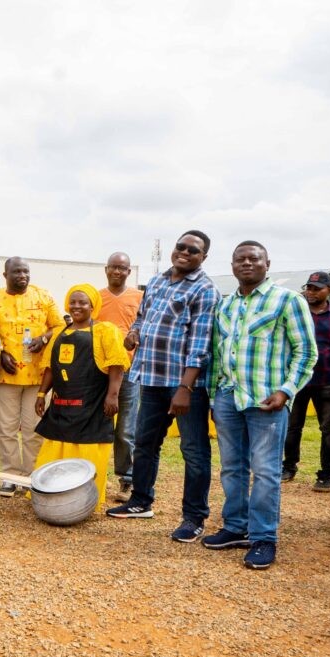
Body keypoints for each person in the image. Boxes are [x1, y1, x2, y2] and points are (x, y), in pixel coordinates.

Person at [204, 241, 316, 570]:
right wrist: (214, 396)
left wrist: (286, 391)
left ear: (268, 263)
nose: (247, 263)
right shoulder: (225, 306)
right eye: (241, 259)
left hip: (267, 400)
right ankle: (236, 527)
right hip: (228, 397)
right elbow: (216, 355)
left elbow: (306, 353)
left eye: (255, 258)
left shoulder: (288, 301)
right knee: (232, 468)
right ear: (233, 264)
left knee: (266, 472)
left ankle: (264, 537)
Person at [106, 230, 220, 544]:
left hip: (184, 384)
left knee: (194, 451)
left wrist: (186, 387)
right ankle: (141, 501)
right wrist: (134, 332)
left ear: (203, 257)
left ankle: (194, 518)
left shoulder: (205, 290)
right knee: (145, 443)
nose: (184, 252)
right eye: (180, 246)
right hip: (152, 378)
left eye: (193, 250)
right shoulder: (157, 281)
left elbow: (201, 344)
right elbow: (142, 317)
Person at [33, 284, 129, 509]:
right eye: (73, 302)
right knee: (55, 449)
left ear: (92, 306)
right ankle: (50, 495)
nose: (76, 306)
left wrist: (112, 396)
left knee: (88, 451)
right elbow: (49, 368)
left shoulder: (106, 330)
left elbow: (116, 366)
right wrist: (41, 394)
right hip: (62, 406)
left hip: (93, 406)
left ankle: (87, 500)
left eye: (82, 302)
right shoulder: (59, 332)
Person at [0, 257, 66, 497]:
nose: (23, 276)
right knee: (6, 429)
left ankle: (31, 476)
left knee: (34, 429)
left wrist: (44, 338)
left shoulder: (43, 297)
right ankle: (9, 476)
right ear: (5, 274)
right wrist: (1, 353)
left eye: (26, 272)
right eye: (17, 272)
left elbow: (59, 326)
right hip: (7, 377)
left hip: (38, 377)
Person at [281, 271, 330, 490]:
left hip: (328, 381)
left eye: (317, 288)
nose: (310, 292)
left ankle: (326, 475)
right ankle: (289, 467)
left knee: (329, 429)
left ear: (329, 291)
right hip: (298, 380)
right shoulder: (296, 313)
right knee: (292, 427)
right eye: (309, 288)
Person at [98, 252, 143, 500]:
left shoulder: (139, 297)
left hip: (129, 372)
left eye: (122, 268)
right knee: (97, 426)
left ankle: (127, 479)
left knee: (125, 429)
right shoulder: (96, 298)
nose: (117, 272)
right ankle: (94, 476)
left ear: (129, 271)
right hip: (99, 372)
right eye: (113, 267)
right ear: (106, 269)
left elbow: (144, 329)